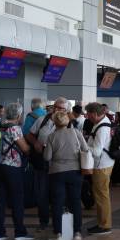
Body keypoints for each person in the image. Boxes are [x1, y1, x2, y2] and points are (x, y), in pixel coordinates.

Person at [0, 106, 33, 240]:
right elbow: (24, 148)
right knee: (17, 198)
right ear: (18, 116)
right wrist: (30, 148)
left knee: (0, 198)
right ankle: (20, 232)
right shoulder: (14, 128)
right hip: (12, 166)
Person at [26, 96, 71, 231]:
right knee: (42, 192)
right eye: (55, 107)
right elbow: (30, 134)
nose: (56, 110)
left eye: (60, 108)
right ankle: (43, 221)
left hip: (60, 163)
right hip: (42, 160)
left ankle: (60, 223)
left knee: (59, 193)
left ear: (66, 110)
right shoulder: (42, 119)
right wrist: (35, 143)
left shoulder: (70, 123)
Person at [43, 111, 89, 240]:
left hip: (57, 173)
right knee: (75, 201)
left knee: (57, 202)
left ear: (55, 122)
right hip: (75, 171)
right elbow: (85, 149)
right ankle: (77, 233)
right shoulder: (76, 133)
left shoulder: (51, 136)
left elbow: (47, 157)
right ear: (67, 121)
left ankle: (58, 233)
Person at [83, 102, 114, 236]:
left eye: (89, 115)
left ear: (95, 114)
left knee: (102, 196)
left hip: (101, 165)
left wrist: (83, 146)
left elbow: (96, 151)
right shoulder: (103, 123)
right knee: (101, 195)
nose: (87, 117)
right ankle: (102, 222)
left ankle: (105, 225)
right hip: (104, 163)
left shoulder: (102, 128)